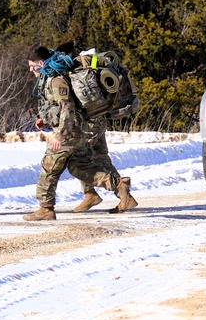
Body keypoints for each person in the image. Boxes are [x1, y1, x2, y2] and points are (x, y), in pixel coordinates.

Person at [24, 47, 136, 220]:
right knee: (84, 164)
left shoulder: (56, 80)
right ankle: (119, 190)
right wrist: (43, 118)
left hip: (71, 131)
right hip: (84, 127)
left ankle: (46, 208)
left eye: (32, 67)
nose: (31, 70)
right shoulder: (53, 76)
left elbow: (67, 108)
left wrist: (60, 135)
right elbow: (55, 105)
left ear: (40, 64)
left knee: (50, 167)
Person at [55, 41, 121, 212]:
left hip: (87, 123)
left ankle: (90, 193)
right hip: (99, 118)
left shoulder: (72, 69)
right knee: (102, 157)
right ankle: (124, 196)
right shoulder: (90, 64)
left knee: (78, 160)